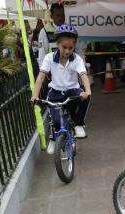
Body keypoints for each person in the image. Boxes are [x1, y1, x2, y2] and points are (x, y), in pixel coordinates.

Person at [30, 24, 92, 154]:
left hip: (72, 91)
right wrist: (35, 96)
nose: (68, 51)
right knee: (57, 121)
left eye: (71, 48)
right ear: (57, 44)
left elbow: (83, 75)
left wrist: (87, 91)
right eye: (64, 47)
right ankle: (54, 139)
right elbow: (41, 77)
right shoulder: (49, 58)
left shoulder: (77, 59)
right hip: (55, 93)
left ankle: (79, 124)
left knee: (85, 96)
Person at [37, 3, 65, 67]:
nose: (61, 18)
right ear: (52, 16)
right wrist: (44, 74)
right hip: (53, 71)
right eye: (57, 15)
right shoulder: (44, 31)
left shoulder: (69, 29)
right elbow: (42, 57)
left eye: (63, 14)